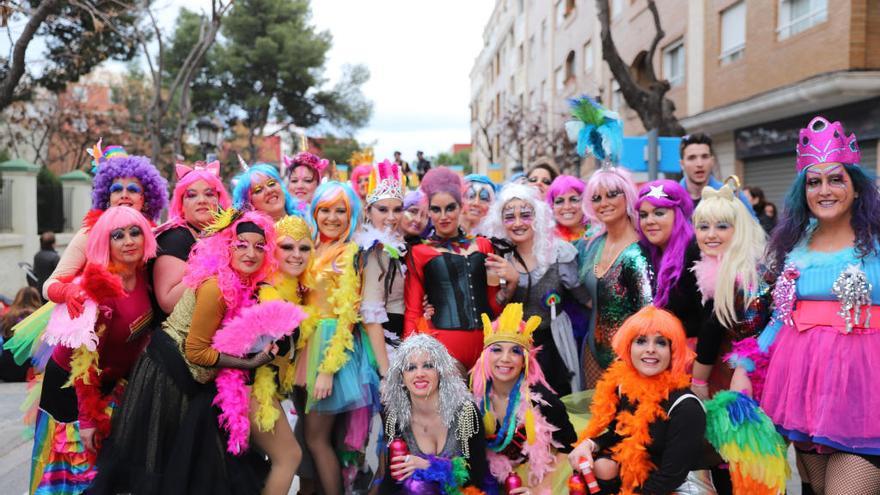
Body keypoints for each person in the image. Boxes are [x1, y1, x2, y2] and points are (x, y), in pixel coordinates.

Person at [728, 116, 880, 494]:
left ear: (857, 188)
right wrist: (744, 367)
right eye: (815, 182)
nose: (825, 191)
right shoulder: (795, 246)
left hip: (865, 400)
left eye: (836, 179)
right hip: (804, 396)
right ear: (804, 191)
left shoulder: (877, 244)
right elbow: (781, 321)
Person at [89, 209, 276, 495]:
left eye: (259, 246)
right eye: (242, 244)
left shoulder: (239, 283)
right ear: (228, 246)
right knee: (162, 469)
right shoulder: (217, 287)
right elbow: (197, 352)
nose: (251, 252)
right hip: (169, 377)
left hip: (190, 378)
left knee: (195, 470)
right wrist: (250, 363)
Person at [31, 206, 157, 494]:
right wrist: (87, 419)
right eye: (118, 235)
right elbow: (83, 359)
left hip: (111, 383)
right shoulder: (99, 289)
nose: (129, 241)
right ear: (105, 243)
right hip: (73, 389)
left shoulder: (143, 274)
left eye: (135, 232)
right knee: (80, 476)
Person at [568, 306, 715, 494]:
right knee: (603, 465)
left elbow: (671, 476)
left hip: (682, 485)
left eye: (661, 343)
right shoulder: (626, 389)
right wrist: (589, 444)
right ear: (629, 348)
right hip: (647, 478)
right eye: (641, 341)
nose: (650, 350)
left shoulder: (686, 407)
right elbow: (619, 435)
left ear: (672, 352)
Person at [294, 181, 379, 494]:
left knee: (317, 439)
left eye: (340, 211)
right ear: (314, 212)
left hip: (331, 348)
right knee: (314, 437)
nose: (332, 217)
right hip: (308, 342)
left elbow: (348, 316)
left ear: (351, 214)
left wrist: (328, 369)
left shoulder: (349, 254)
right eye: (325, 210)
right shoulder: (314, 248)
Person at [482, 183, 589, 395]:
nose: (518, 223)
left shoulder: (559, 253)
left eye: (525, 215)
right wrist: (510, 284)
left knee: (557, 402)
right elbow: (493, 309)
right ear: (500, 222)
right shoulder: (497, 257)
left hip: (554, 344)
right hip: (512, 351)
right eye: (510, 217)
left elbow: (584, 299)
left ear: (537, 217)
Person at [471, 303, 577, 493]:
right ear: (485, 356)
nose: (505, 358)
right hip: (496, 479)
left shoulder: (544, 401)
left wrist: (539, 489)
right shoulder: (473, 402)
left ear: (525, 361)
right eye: (497, 350)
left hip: (543, 478)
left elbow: (569, 449)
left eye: (515, 351)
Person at [42, 148, 168, 306]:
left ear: (145, 198)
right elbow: (49, 285)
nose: (124, 194)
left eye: (132, 189)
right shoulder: (89, 234)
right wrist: (68, 291)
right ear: (107, 198)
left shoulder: (151, 235)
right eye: (116, 190)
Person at [404, 167, 501, 370]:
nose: (443, 216)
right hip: (444, 348)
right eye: (436, 209)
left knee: (484, 402)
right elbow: (413, 311)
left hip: (488, 345)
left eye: (450, 208)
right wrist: (410, 363)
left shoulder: (484, 245)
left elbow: (493, 301)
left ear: (461, 206)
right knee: (460, 404)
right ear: (428, 211)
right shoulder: (419, 251)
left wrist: (510, 284)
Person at [690, 178, 769, 400]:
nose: (711, 234)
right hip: (728, 365)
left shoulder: (748, 276)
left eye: (722, 226)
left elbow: (716, 327)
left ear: (739, 229)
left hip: (754, 373)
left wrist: (698, 380)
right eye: (703, 227)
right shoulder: (715, 265)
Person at [379, 334, 488, 493]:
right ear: (402, 377)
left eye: (428, 366)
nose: (419, 374)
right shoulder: (395, 417)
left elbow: (476, 477)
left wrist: (429, 466)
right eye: (411, 368)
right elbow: (391, 481)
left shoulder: (466, 413)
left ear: (440, 371)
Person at [255, 215, 314, 495]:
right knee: (289, 457)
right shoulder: (267, 292)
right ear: (272, 251)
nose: (296, 255)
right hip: (250, 389)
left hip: (269, 390)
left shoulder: (293, 290)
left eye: (304, 248)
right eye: (287, 247)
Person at [578, 166, 652, 388]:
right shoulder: (593, 245)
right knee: (595, 418)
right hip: (592, 351)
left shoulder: (640, 251)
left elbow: (648, 314)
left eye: (612, 194)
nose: (604, 203)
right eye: (597, 198)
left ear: (627, 196)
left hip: (630, 356)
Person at [152, 161, 232, 320]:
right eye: (192, 195)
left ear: (219, 201)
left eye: (209, 194)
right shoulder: (174, 237)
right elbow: (168, 302)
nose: (202, 200)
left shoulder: (222, 235)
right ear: (181, 204)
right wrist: (211, 265)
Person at [354, 160, 407, 372]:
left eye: (397, 209)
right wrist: (386, 372)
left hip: (398, 341)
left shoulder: (395, 246)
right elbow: (371, 315)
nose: (391, 217)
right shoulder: (373, 250)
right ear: (368, 211)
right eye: (383, 210)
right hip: (383, 349)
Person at [636, 180, 702, 340]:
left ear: (677, 215)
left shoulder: (696, 251)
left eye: (659, 213)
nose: (649, 221)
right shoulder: (642, 253)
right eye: (643, 215)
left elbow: (708, 319)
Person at [678, 133, 753, 213]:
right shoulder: (671, 198)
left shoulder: (733, 196)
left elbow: (753, 224)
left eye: (705, 156)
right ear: (682, 164)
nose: (699, 164)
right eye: (692, 158)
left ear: (712, 161)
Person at [0, 287, 41, 381]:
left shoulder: (7, 317)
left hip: (5, 370)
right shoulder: (39, 317)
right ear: (36, 299)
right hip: (29, 371)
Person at [232, 162, 299, 221]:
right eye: (258, 190)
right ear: (249, 203)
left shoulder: (305, 216)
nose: (269, 191)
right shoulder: (253, 234)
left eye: (271, 183)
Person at [547, 175, 587, 242]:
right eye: (559, 201)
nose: (567, 207)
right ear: (552, 207)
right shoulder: (548, 241)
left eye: (574, 200)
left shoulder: (599, 233)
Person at [33, 232, 60, 296]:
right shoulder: (55, 257)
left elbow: (35, 272)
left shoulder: (37, 255)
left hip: (40, 288)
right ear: (53, 244)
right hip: (51, 289)